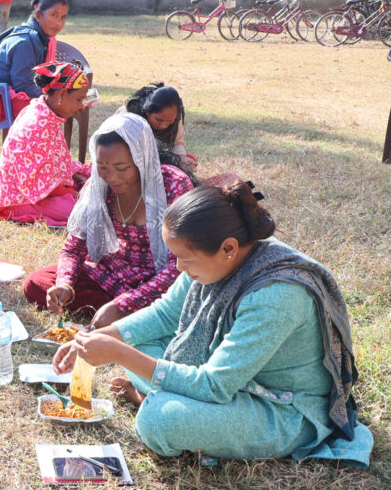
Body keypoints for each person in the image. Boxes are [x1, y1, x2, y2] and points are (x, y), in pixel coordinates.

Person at [52, 182, 373, 468]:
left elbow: (215, 385)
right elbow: (165, 313)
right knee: (137, 339)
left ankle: (148, 399)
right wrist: (91, 339)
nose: (179, 268)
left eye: (186, 260)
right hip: (229, 375)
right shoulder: (223, 257)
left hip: (281, 409)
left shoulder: (277, 296)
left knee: (158, 419)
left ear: (229, 248)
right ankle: (160, 395)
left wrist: (120, 354)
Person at [22, 113, 193, 328]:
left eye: (122, 168)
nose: (111, 177)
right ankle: (136, 316)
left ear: (142, 159)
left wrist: (122, 305)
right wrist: (65, 285)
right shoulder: (97, 187)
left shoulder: (173, 185)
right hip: (111, 275)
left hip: (159, 282)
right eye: (103, 167)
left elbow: (180, 264)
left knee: (185, 295)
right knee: (37, 283)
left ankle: (129, 313)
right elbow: (74, 249)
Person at [0, 60, 91, 226]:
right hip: (22, 199)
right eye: (79, 100)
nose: (81, 107)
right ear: (63, 93)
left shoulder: (46, 111)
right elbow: (35, 183)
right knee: (84, 212)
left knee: (92, 180)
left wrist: (74, 177)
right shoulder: (37, 124)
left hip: (41, 192)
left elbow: (52, 163)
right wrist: (71, 191)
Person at [123, 82, 198, 177]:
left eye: (169, 121)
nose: (163, 126)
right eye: (159, 120)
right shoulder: (131, 119)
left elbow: (177, 142)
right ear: (147, 112)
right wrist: (176, 161)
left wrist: (182, 159)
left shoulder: (175, 116)